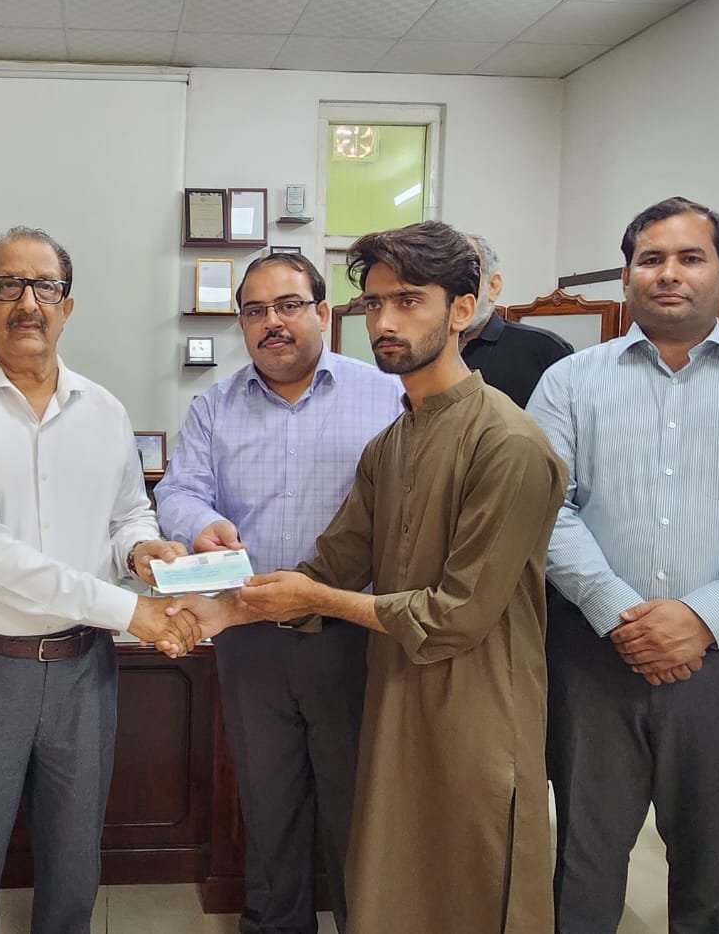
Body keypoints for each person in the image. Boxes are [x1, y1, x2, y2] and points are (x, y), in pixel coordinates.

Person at [172, 221, 566, 933]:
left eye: (409, 301)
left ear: (463, 309)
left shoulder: (507, 443)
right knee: (392, 873)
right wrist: (223, 612)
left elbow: (456, 615)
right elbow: (335, 560)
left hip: (475, 699)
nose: (385, 322)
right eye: (376, 303)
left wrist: (318, 598)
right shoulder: (394, 441)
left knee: (472, 879)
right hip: (395, 681)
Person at [0, 226, 199, 934]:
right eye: (8, 285)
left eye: (46, 287)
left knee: (74, 852)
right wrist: (129, 611)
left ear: (68, 306)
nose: (27, 302)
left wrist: (142, 550)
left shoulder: (104, 410)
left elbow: (127, 512)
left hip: (81, 667)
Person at [527, 197, 719, 934]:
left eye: (691, 258)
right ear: (627, 277)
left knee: (712, 871)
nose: (668, 274)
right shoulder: (569, 382)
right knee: (583, 862)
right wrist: (620, 614)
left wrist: (702, 619)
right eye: (650, 259)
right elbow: (546, 509)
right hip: (594, 657)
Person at [154, 252, 404, 934]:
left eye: (289, 306)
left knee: (359, 805)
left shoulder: (386, 394)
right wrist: (200, 525)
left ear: (322, 312)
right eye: (255, 311)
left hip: (353, 634)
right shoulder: (215, 406)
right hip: (251, 634)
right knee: (267, 803)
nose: (273, 323)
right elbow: (178, 490)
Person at [460, 233, 573, 407]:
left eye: (464, 279)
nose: (453, 294)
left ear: (493, 286)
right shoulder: (425, 349)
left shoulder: (545, 349)